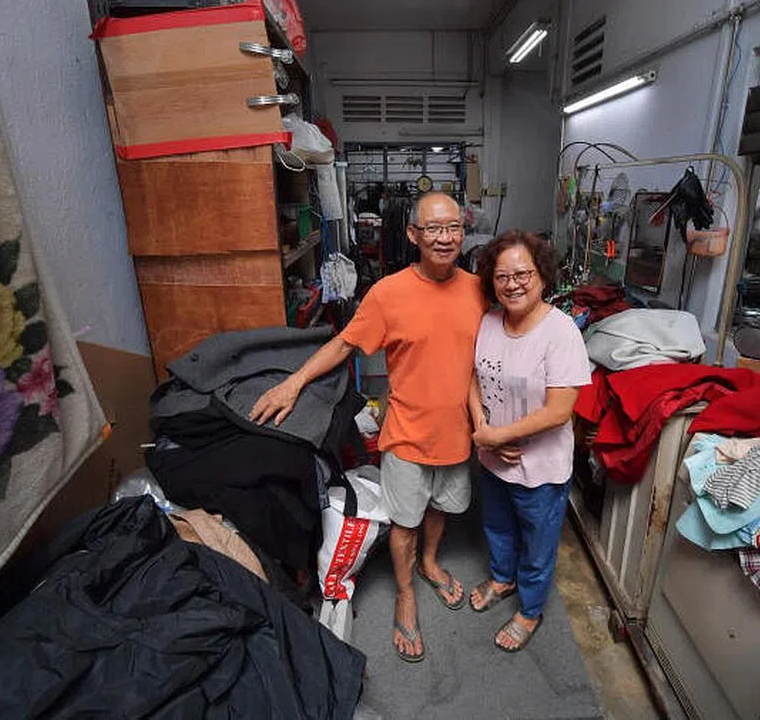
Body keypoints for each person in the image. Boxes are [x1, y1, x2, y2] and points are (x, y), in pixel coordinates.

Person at [250, 192, 485, 664]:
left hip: (458, 434)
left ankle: (430, 562)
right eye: (433, 229)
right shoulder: (388, 294)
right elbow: (344, 345)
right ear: (413, 235)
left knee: (443, 507)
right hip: (407, 434)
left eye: (453, 227)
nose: (445, 238)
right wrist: (294, 383)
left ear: (463, 232)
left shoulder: (479, 290)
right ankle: (405, 593)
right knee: (405, 521)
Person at [467, 230, 592, 652]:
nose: (513, 284)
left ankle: (531, 609)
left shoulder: (560, 332)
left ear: (542, 276)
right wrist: (481, 426)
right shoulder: (488, 321)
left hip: (540, 467)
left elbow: (559, 411)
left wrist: (495, 436)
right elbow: (473, 377)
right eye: (502, 276)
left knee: (538, 543)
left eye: (523, 274)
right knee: (497, 525)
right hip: (493, 457)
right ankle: (503, 578)